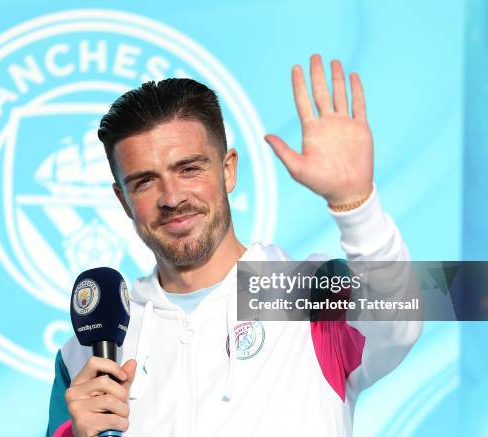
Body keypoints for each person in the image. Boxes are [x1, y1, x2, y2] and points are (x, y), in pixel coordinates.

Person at [46, 54, 422, 437]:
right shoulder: (87, 348)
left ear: (228, 170)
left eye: (189, 169)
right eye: (144, 181)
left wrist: (356, 204)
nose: (172, 197)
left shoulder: (308, 291)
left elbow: (402, 320)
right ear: (123, 199)